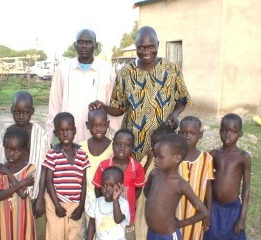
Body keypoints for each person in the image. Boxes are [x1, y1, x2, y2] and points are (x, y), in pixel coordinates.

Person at [89, 26, 192, 162]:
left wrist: (174, 114)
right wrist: (104, 107)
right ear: (135, 47)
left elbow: (183, 99)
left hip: (162, 141)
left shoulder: (171, 70)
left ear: (158, 45)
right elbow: (120, 108)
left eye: (151, 47)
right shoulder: (126, 73)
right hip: (132, 143)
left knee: (159, 178)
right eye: (141, 47)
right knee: (133, 178)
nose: (146, 51)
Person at [45, 28, 122, 145]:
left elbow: (112, 108)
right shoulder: (63, 69)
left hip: (98, 143)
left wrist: (117, 138)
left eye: (88, 42)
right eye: (80, 42)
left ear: (95, 45)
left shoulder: (107, 70)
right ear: (75, 45)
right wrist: (48, 141)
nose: (84, 46)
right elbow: (54, 107)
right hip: (69, 143)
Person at [0, 90, 49, 240]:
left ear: (32, 111)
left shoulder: (41, 134)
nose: (21, 116)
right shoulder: (5, 133)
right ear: (11, 110)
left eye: (25, 112)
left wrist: (40, 197)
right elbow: (1, 165)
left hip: (34, 197)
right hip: (10, 199)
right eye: (17, 112)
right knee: (13, 237)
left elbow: (45, 167)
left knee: (36, 237)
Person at [144, 133, 208, 240]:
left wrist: (180, 224)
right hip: (151, 234)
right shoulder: (154, 174)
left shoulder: (180, 184)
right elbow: (146, 191)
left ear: (177, 158)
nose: (156, 160)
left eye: (160, 157)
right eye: (155, 155)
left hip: (168, 238)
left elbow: (203, 212)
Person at [203, 113, 251, 240]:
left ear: (240, 134)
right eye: (224, 131)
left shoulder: (243, 157)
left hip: (234, 209)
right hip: (215, 207)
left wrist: (242, 217)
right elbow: (209, 184)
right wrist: (207, 211)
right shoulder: (213, 154)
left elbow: (246, 188)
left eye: (233, 131)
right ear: (219, 131)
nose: (227, 135)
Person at [92, 128, 146, 240]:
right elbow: (97, 188)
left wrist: (128, 204)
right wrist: (104, 204)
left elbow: (138, 189)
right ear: (113, 145)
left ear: (132, 148)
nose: (122, 148)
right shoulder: (104, 165)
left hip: (127, 217)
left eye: (127, 145)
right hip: (106, 216)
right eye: (118, 144)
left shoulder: (136, 167)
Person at [44, 112, 90, 240]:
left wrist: (81, 206)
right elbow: (49, 182)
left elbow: (83, 184)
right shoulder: (52, 154)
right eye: (61, 131)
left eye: (69, 130)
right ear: (55, 133)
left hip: (75, 204)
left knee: (74, 239)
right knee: (55, 237)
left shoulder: (82, 154)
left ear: (74, 131)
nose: (65, 134)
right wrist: (57, 206)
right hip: (55, 203)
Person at [0, 126, 36, 240]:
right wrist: (21, 183)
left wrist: (8, 173)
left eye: (16, 150)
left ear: (24, 149)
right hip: (4, 219)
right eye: (7, 149)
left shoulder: (30, 169)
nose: (11, 154)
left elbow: (23, 195)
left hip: (24, 220)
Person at [135, 124, 175, 240]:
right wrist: (148, 161)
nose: (153, 147)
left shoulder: (172, 164)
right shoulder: (148, 158)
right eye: (152, 143)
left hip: (160, 211)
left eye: (157, 144)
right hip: (144, 206)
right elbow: (139, 177)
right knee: (143, 234)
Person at [177, 115, 214, 240]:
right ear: (178, 133)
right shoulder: (174, 156)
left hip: (196, 214)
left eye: (192, 133)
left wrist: (208, 214)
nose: (188, 137)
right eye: (184, 133)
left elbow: (208, 188)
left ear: (201, 135)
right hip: (175, 213)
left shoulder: (206, 159)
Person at [79, 109, 113, 224]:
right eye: (94, 125)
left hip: (108, 198)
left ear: (108, 124)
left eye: (102, 125)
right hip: (89, 198)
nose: (98, 129)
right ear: (88, 126)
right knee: (91, 232)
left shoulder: (114, 148)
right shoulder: (81, 148)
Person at [87, 166, 130, 240]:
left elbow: (118, 220)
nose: (107, 189)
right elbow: (91, 224)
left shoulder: (123, 203)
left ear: (120, 187)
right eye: (104, 185)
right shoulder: (96, 203)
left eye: (111, 185)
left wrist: (115, 199)